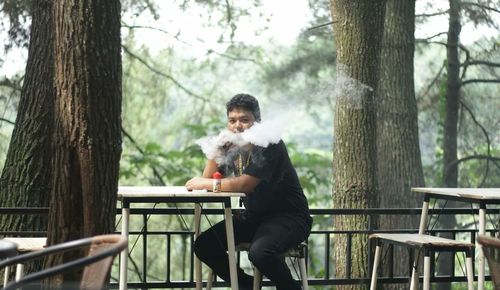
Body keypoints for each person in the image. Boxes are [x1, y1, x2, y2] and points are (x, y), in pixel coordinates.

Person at [185, 93, 312, 290]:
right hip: (254, 217)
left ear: (257, 122)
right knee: (204, 245)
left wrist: (202, 183)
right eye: (232, 121)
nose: (238, 126)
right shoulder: (233, 147)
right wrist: (216, 149)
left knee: (260, 253)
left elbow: (244, 185)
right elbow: (209, 177)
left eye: (244, 120)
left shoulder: (269, 143)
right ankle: (245, 285)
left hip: (289, 217)